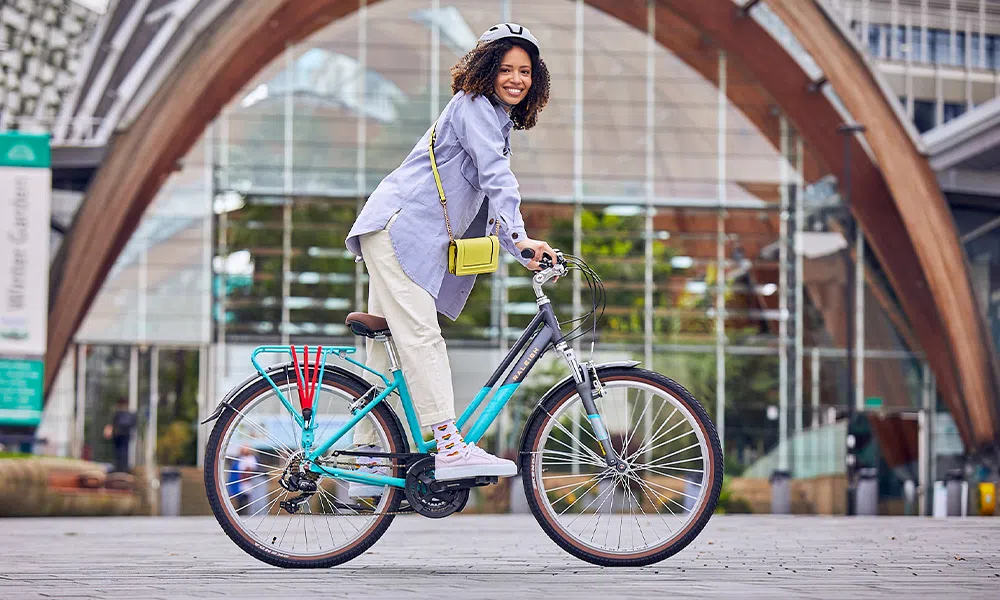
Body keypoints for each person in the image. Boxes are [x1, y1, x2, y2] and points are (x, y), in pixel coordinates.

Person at [344, 23, 556, 496]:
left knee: (385, 350)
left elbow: (487, 196)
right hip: (402, 232)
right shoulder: (475, 107)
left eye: (524, 71)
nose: (516, 79)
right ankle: (448, 444)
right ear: (486, 69)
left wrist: (519, 247)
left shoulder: (494, 119)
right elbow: (497, 178)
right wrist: (521, 238)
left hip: (400, 233)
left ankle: (366, 461)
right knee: (421, 336)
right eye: (505, 69)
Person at [103, 398, 137, 473]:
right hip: (122, 436)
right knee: (122, 453)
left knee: (121, 453)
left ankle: (121, 469)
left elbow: (112, 424)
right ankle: (122, 468)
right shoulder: (129, 415)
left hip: (120, 436)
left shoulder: (119, 414)